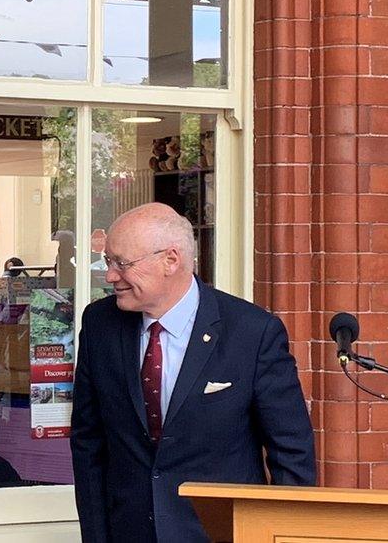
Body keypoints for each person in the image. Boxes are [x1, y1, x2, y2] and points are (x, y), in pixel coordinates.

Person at [70, 203, 315, 542]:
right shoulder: (100, 324)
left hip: (221, 534)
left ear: (171, 260)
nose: (110, 275)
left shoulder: (251, 332)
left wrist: (285, 535)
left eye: (121, 263)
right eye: (108, 262)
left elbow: (292, 453)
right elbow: (88, 443)